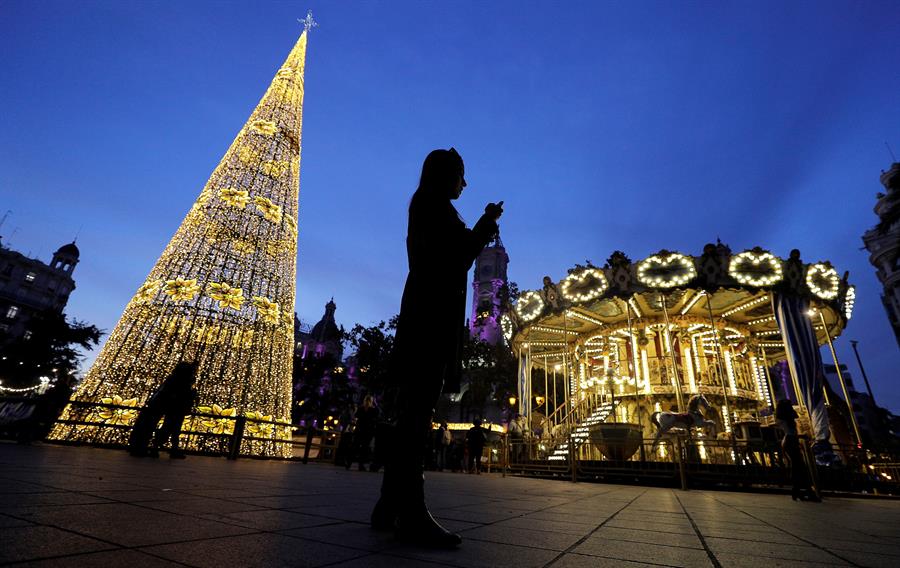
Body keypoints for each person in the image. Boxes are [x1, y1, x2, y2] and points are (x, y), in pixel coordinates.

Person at [370, 148, 502, 548]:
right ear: (447, 177)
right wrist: (487, 221)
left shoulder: (428, 206)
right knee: (416, 420)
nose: (465, 183)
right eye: (462, 175)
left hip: (423, 317)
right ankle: (412, 513)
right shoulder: (435, 208)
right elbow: (458, 257)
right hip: (430, 321)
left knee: (413, 416)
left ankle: (389, 505)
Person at [129, 361, 198, 459]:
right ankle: (155, 448)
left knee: (158, 427)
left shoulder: (173, 380)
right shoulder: (181, 381)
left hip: (165, 405)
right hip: (173, 406)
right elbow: (178, 394)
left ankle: (151, 447)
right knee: (170, 428)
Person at [775, 399, 819, 502]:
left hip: (790, 440)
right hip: (790, 441)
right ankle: (805, 491)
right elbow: (790, 431)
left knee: (797, 467)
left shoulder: (784, 418)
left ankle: (797, 491)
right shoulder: (785, 419)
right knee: (799, 466)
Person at [347, 396, 378, 471]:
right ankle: (360, 465)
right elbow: (376, 416)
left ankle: (349, 462)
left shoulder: (361, 408)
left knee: (355, 446)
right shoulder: (373, 410)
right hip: (367, 431)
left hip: (359, 430)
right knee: (364, 448)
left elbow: (356, 416)